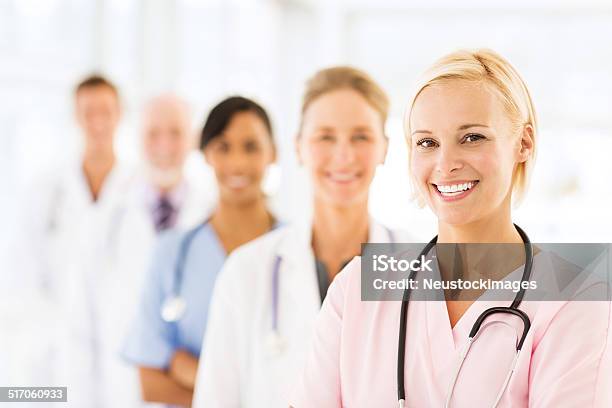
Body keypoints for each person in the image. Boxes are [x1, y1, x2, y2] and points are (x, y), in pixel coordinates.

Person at [290, 49, 612, 407]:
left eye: (472, 137)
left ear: (523, 143)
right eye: (427, 142)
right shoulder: (356, 287)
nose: (446, 164)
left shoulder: (574, 300)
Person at [192, 66, 409, 408]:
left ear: (384, 148)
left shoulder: (424, 268)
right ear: (298, 148)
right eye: (325, 136)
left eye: (361, 136)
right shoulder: (247, 270)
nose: (344, 155)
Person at [122, 96, 279, 407]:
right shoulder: (171, 253)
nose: (237, 162)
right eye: (222, 147)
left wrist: (188, 368)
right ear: (205, 153)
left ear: (273, 153)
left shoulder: (296, 248)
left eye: (251, 147)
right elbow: (151, 384)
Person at [77, 94, 213, 407]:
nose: (164, 144)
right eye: (153, 134)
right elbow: (80, 328)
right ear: (137, 139)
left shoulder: (212, 214)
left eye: (176, 133)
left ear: (193, 139)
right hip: (119, 392)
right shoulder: (104, 219)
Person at [12, 75, 135, 403]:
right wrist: (50, 333)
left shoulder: (139, 190)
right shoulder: (44, 190)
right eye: (87, 112)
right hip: (55, 354)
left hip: (123, 357)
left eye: (105, 111)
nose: (97, 121)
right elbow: (23, 275)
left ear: (120, 115)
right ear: (75, 117)